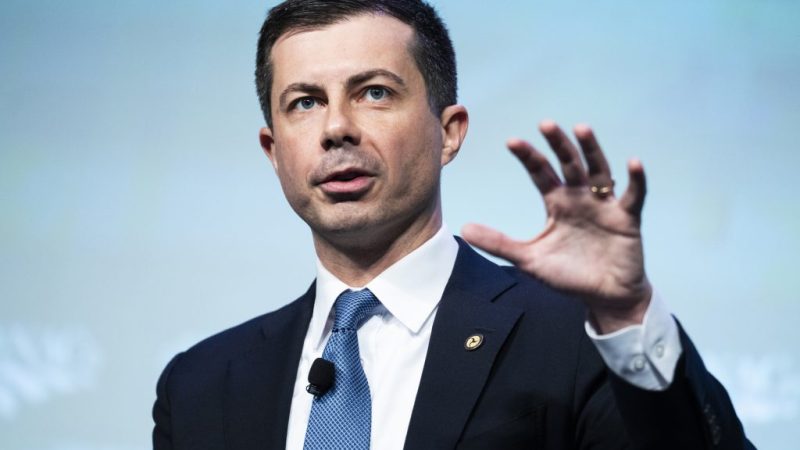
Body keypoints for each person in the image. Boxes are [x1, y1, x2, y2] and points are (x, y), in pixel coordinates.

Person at [152, 1, 753, 448]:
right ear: (273, 150)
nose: (336, 128)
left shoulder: (577, 339)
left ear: (449, 132)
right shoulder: (201, 385)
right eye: (305, 102)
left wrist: (626, 315)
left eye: (374, 93)